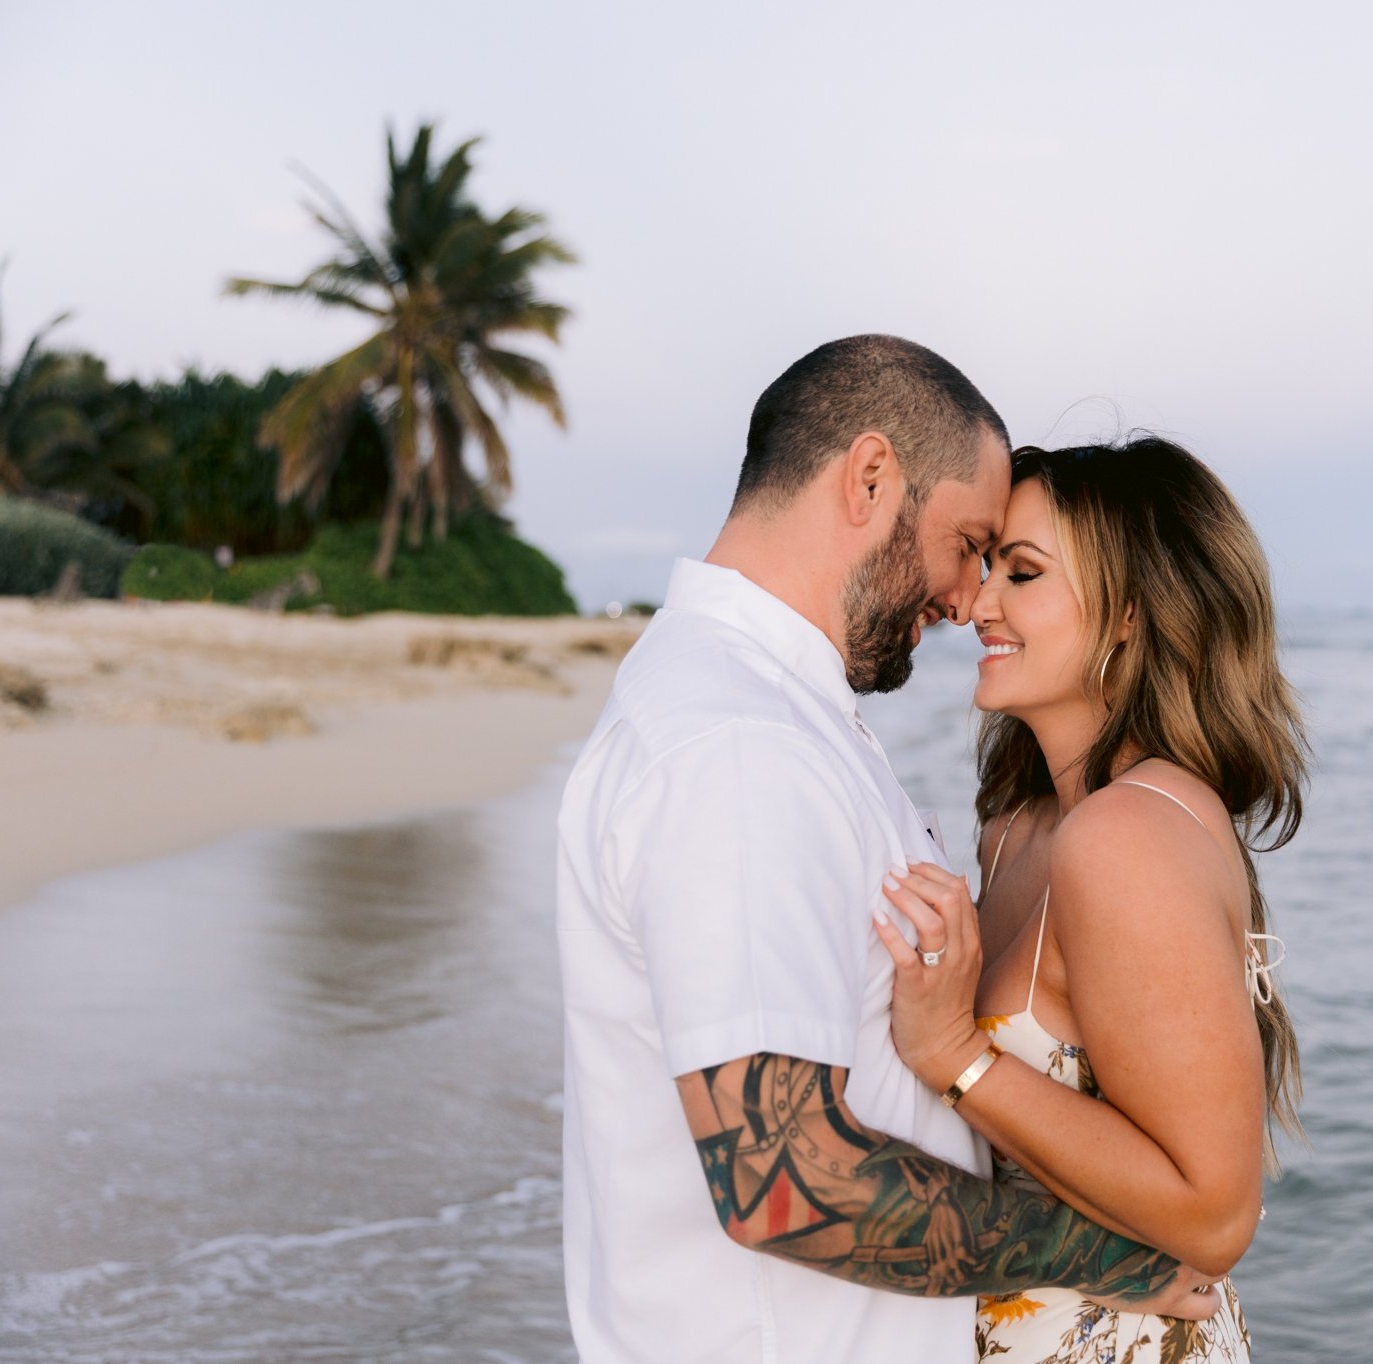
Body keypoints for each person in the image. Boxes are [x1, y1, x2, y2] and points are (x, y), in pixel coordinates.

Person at [556, 338, 1217, 1364]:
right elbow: (786, 1180)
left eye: (1006, 564)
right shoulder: (741, 744)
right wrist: (1120, 1258)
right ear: (869, 478)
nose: (964, 599)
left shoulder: (765, 715)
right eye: (966, 543)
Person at [873, 436, 1309, 1362]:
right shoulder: (1021, 826)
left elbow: (1215, 1211)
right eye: (987, 565)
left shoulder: (1126, 836)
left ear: (1127, 618)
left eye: (1021, 574)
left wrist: (956, 1056)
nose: (978, 602)